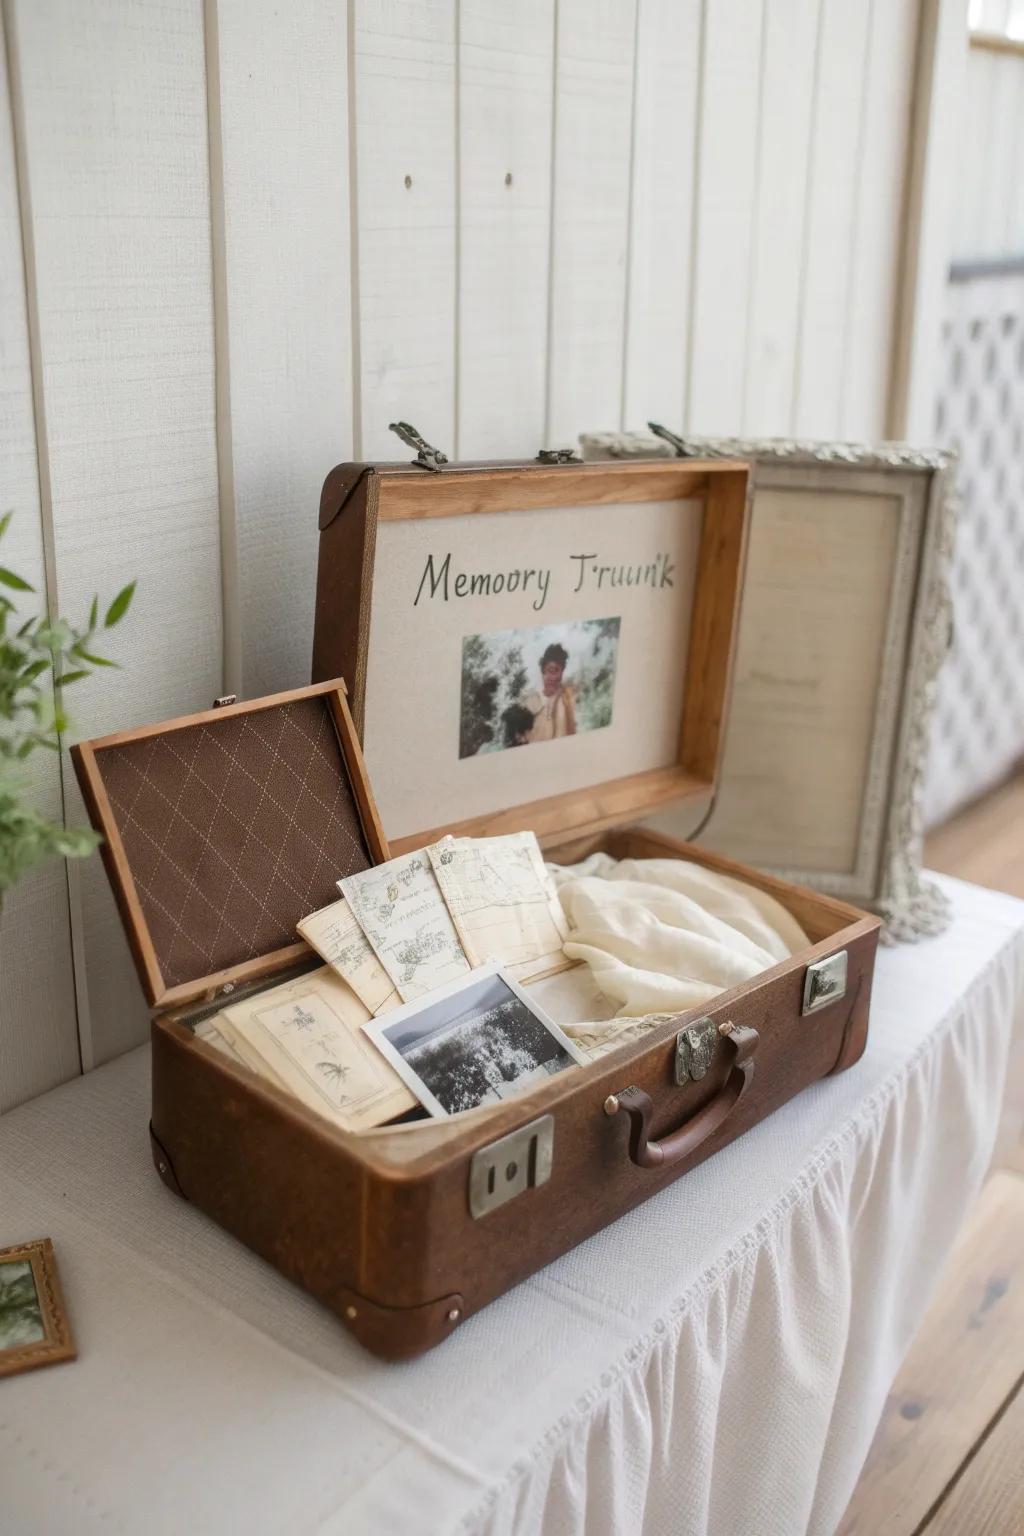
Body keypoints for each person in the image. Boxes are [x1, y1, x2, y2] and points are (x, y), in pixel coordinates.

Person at [523, 642, 576, 743]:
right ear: (543, 670)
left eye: (559, 671)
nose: (555, 677)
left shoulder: (567, 698)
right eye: (551, 670)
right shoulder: (530, 702)